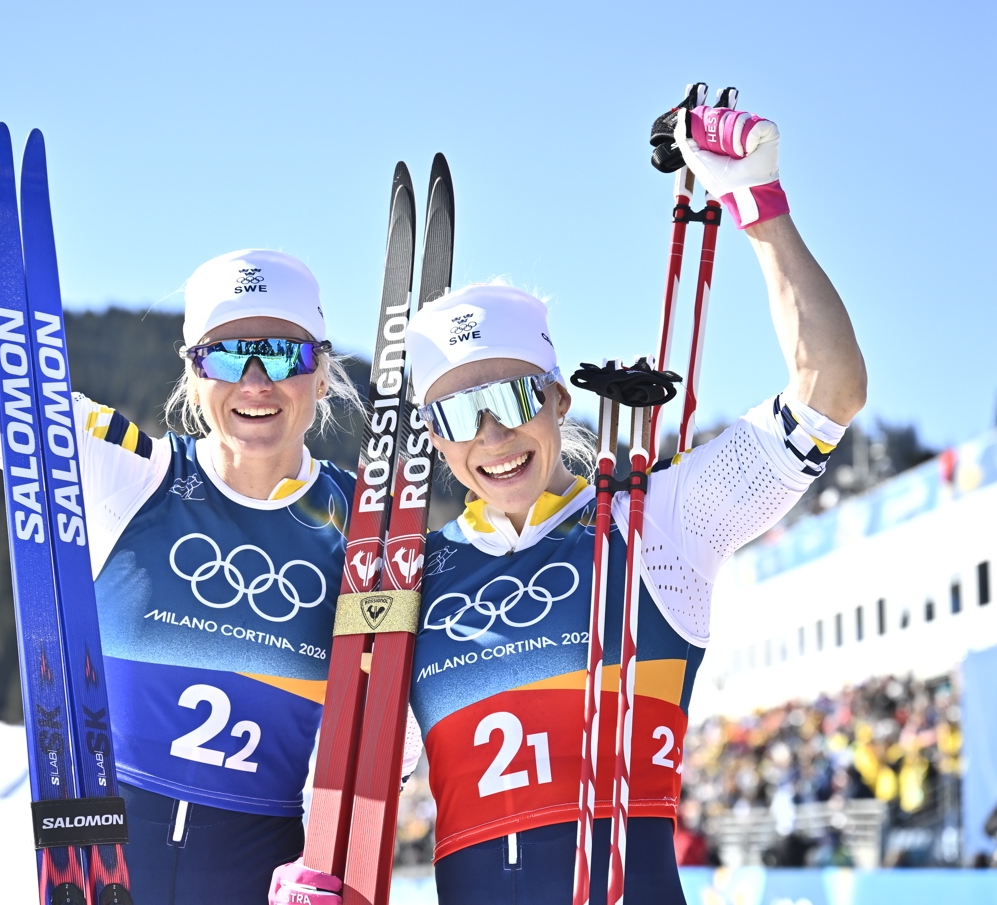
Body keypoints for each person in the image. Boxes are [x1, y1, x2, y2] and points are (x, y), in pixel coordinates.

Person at [0, 31, 365, 905]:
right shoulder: (131, 475)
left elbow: (404, 731)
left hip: (261, 871)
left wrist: (344, 851)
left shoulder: (363, 528)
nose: (255, 381)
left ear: (320, 369)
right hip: (101, 859)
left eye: (280, 353)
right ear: (191, 372)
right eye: (224, 354)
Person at [270, 104, 866, 903]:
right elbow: (362, 781)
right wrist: (318, 871)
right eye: (457, 415)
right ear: (434, 442)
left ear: (557, 399)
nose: (491, 435)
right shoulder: (414, 580)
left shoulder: (658, 523)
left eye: (512, 398)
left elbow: (831, 390)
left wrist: (758, 203)